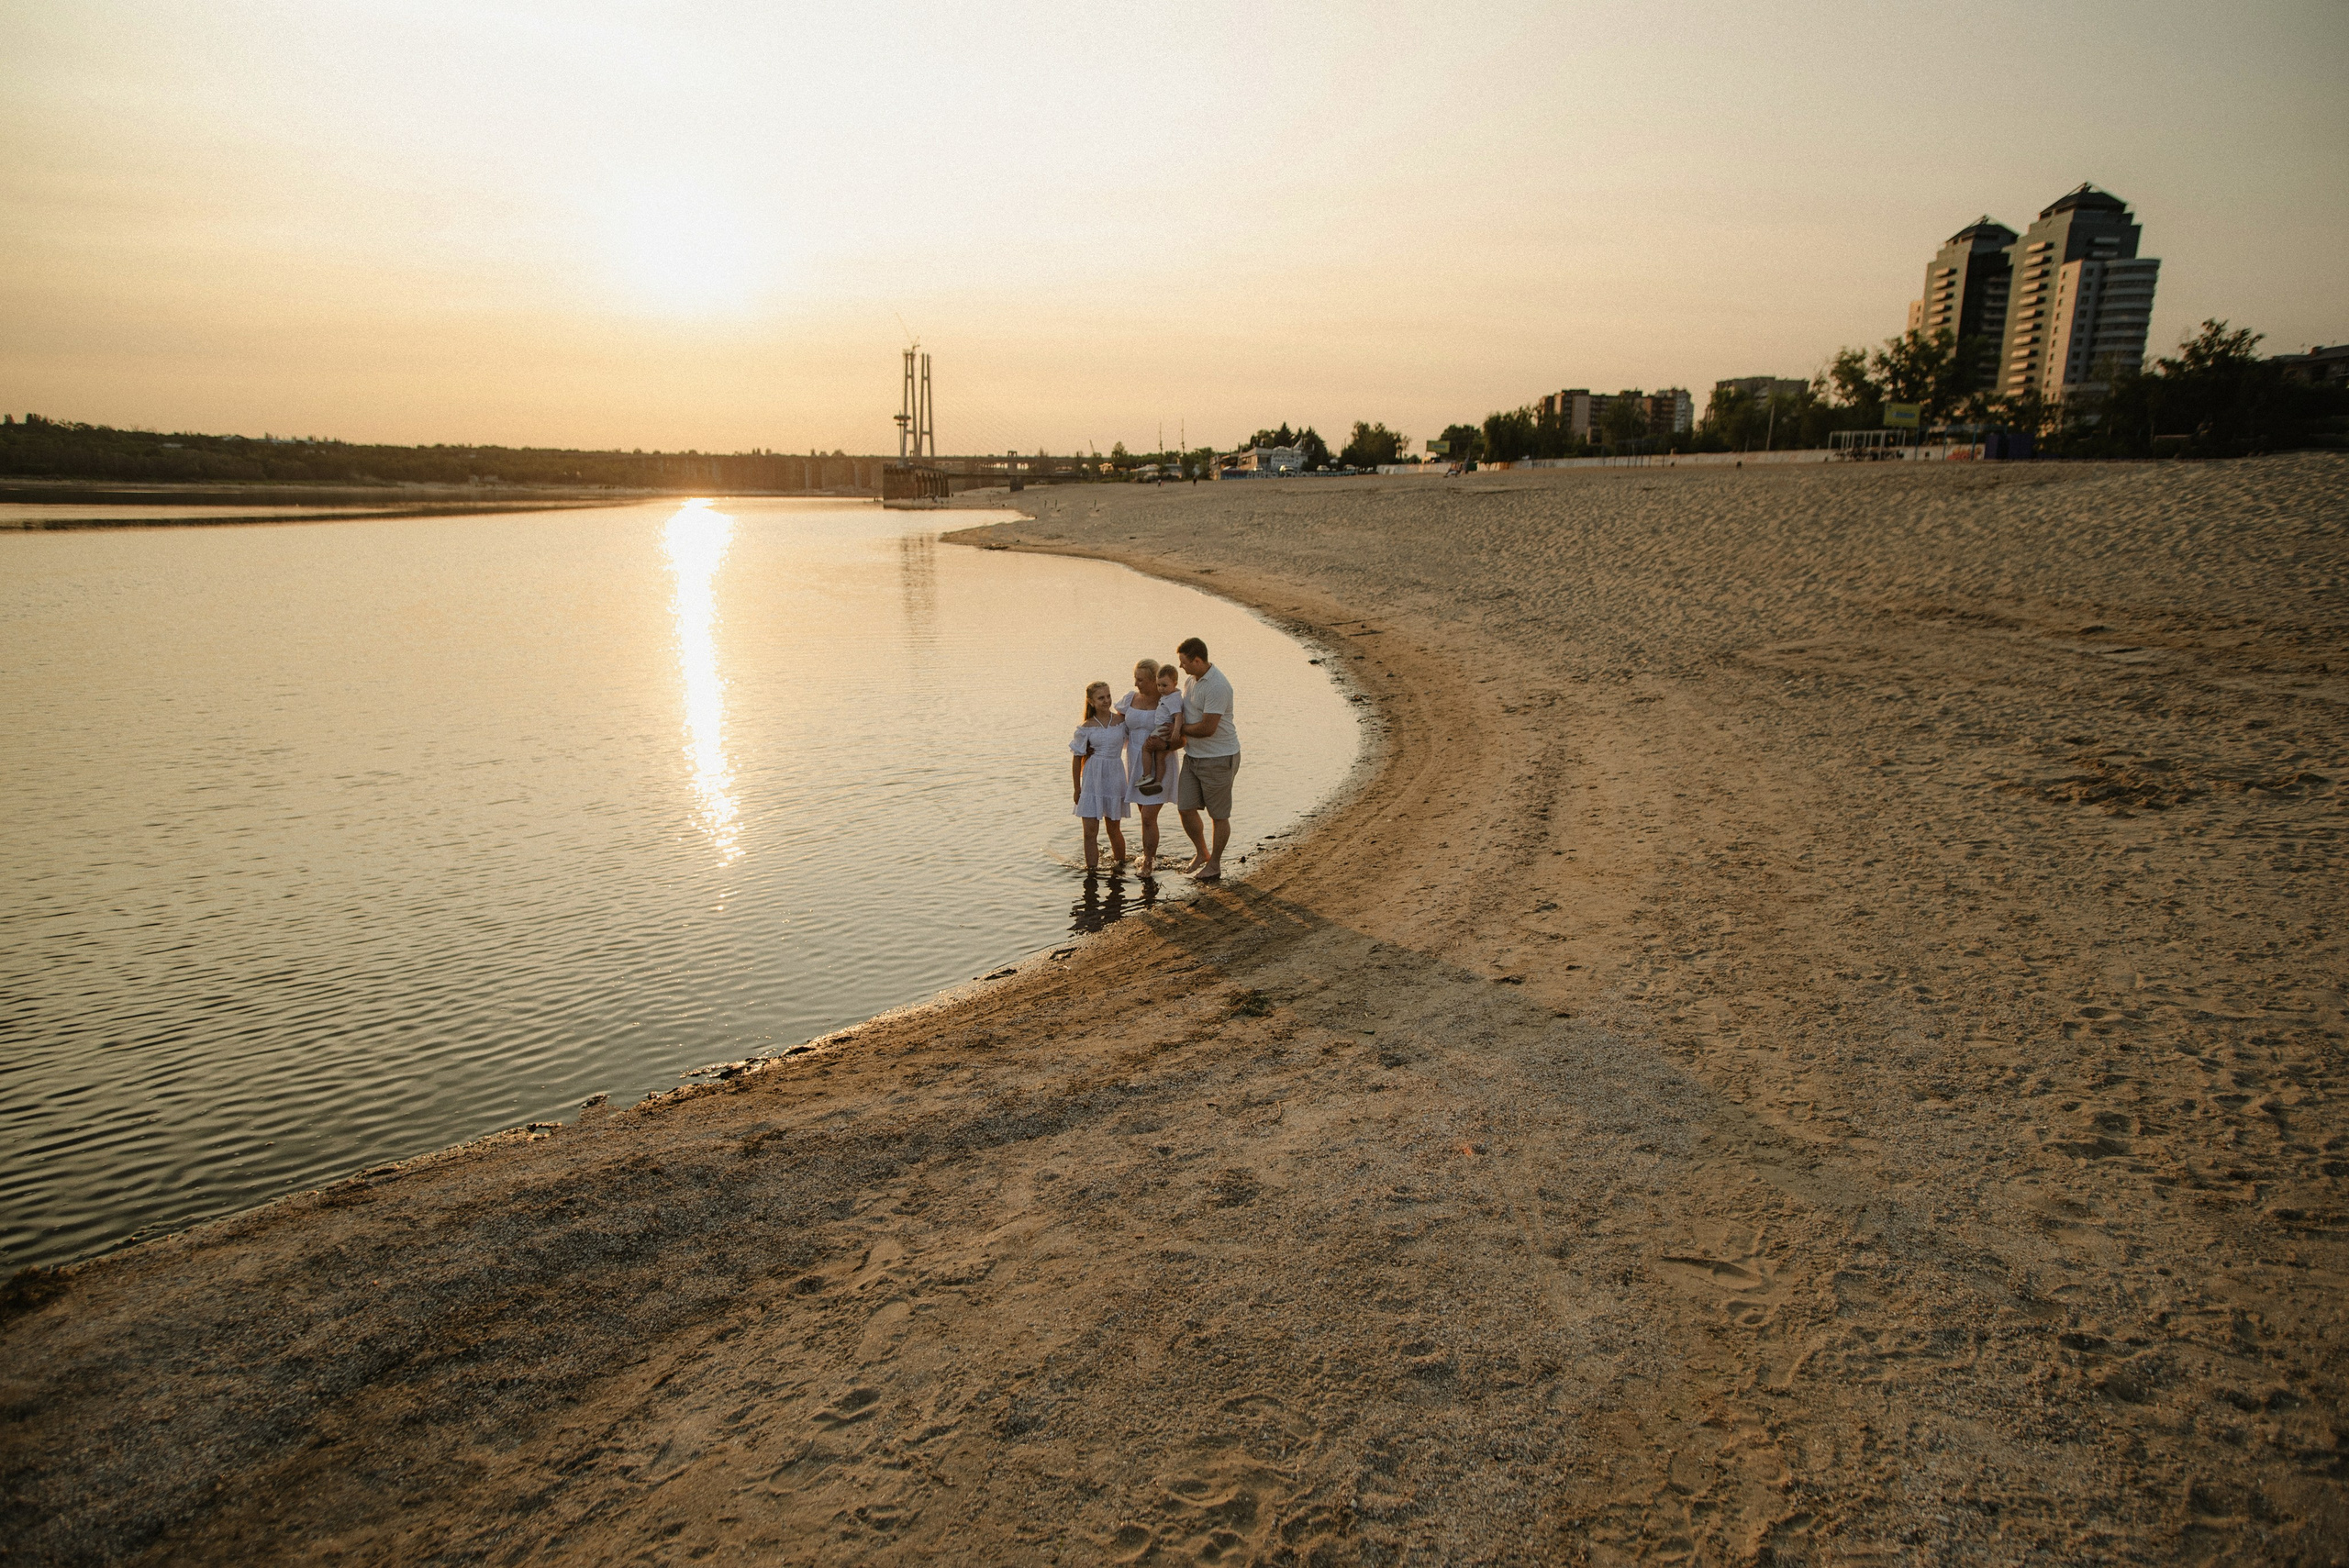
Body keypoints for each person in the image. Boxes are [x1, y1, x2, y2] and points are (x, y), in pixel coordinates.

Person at [1173, 636, 1238, 880]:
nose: (1181, 667)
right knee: (1185, 807)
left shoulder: (1218, 686)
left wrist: (1179, 731)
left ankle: (1215, 864)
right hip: (1193, 757)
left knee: (1219, 815)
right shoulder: (1192, 680)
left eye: (1183, 662)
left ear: (1197, 660)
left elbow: (1207, 728)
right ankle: (1202, 853)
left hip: (1219, 758)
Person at [1116, 660, 1186, 874]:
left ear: (1154, 681)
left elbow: (1183, 739)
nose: (1136, 683)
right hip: (1136, 762)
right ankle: (1149, 854)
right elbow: (1115, 726)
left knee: (1148, 817)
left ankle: (1148, 862)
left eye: (1141, 679)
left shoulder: (1169, 702)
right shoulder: (1130, 699)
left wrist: (1164, 744)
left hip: (1160, 761)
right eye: (1135, 678)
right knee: (1143, 814)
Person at [1069, 681, 1130, 872]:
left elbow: (1135, 742)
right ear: (1091, 701)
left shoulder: (1121, 723)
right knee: (1090, 831)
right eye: (1101, 698)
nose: (1106, 701)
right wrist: (1077, 788)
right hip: (1092, 778)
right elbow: (1077, 758)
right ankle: (1092, 871)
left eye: (1108, 696)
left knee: (1113, 829)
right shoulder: (1086, 727)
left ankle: (1120, 866)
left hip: (1114, 775)